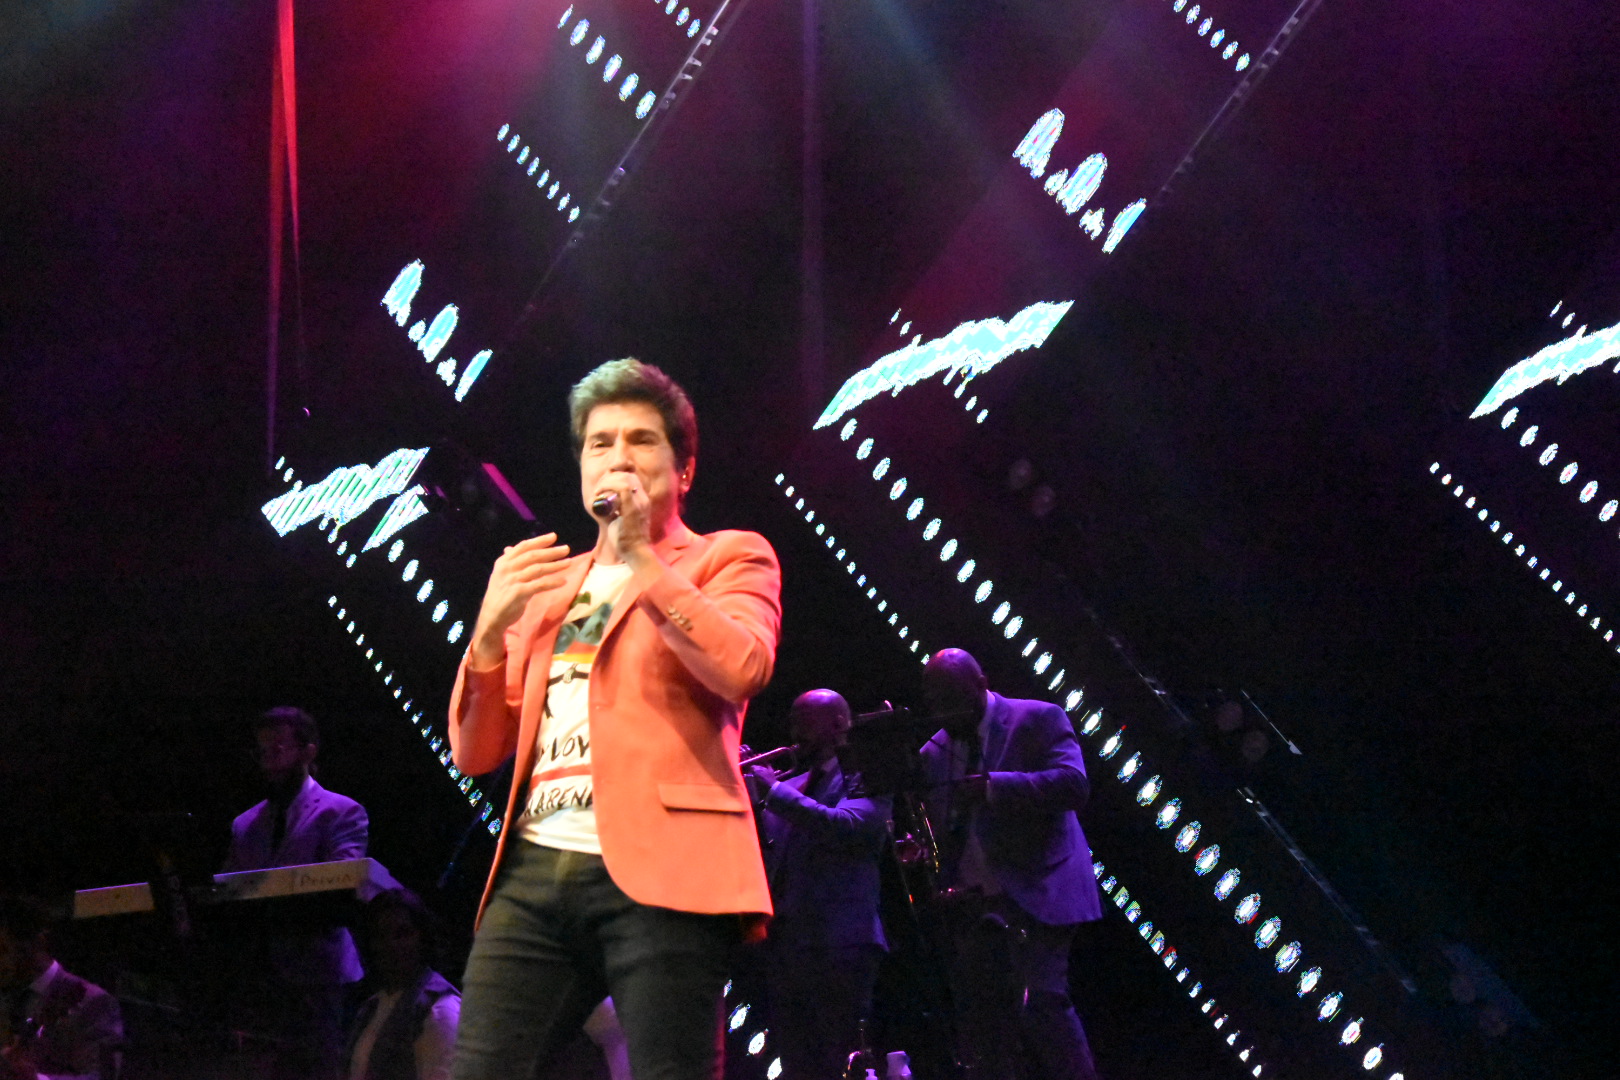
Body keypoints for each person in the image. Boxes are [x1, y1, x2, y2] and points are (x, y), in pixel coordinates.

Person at [447, 358, 782, 1080]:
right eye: (600, 443)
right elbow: (476, 754)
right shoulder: (548, 588)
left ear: (683, 470)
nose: (618, 457)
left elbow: (742, 667)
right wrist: (487, 637)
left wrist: (638, 556)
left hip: (666, 865)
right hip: (534, 871)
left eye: (641, 440)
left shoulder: (729, 557)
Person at [918, 649, 1102, 1080]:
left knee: (1043, 1003)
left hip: (1043, 885)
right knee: (984, 1028)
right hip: (978, 902)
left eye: (955, 700)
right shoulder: (933, 752)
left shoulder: (1039, 717)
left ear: (982, 684)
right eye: (938, 704)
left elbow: (1074, 785)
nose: (946, 714)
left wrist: (994, 788)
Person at [746, 690, 890, 1080]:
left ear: (839, 724)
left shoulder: (865, 773)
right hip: (789, 943)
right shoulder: (794, 782)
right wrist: (750, 797)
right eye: (792, 721)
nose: (794, 732)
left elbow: (851, 826)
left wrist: (773, 792)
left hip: (842, 939)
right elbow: (770, 851)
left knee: (839, 1057)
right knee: (799, 1063)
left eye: (804, 721)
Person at [224, 706, 369, 1080]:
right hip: (261, 977)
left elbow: (341, 882)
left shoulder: (341, 811)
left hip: (320, 978)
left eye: (277, 749)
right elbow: (230, 894)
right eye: (262, 752)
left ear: (308, 752)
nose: (268, 762)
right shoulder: (245, 824)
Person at [0, 895, 123, 1080]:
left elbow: (104, 1076)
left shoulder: (94, 1001)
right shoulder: (6, 998)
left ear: (38, 943)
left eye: (3, 950)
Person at [347, 889, 460, 1080]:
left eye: (402, 934)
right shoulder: (372, 1006)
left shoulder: (440, 1009)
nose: (391, 944)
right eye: (381, 935)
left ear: (422, 938)